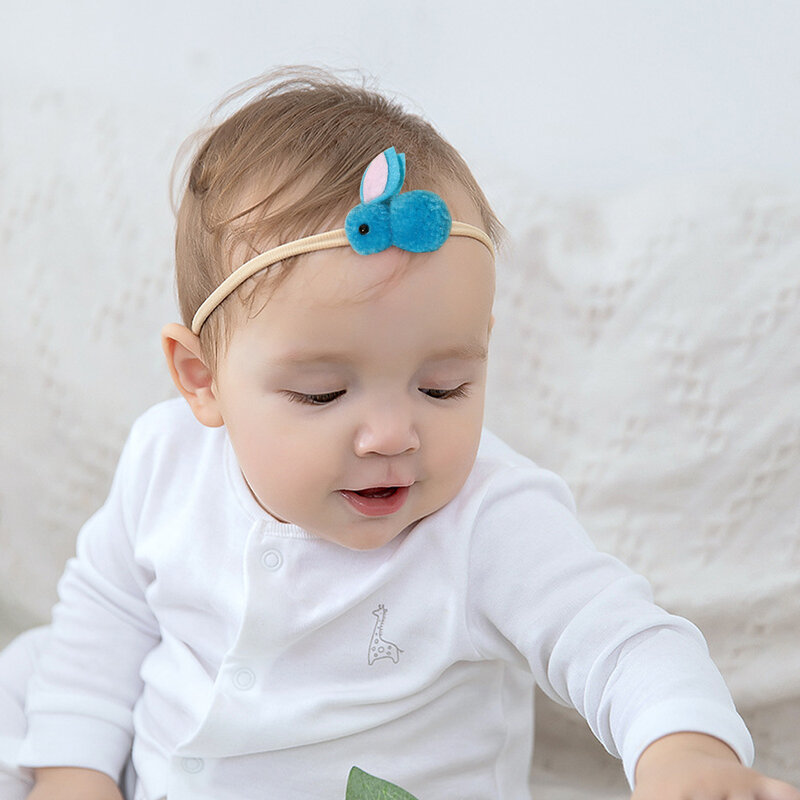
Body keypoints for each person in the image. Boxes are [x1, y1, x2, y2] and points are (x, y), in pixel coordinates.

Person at [3, 67, 799, 800]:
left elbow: (621, 641)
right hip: (159, 773)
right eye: (321, 393)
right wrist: (76, 774)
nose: (391, 434)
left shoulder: (490, 520)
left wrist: (686, 750)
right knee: (32, 678)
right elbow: (106, 618)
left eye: (442, 386)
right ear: (201, 380)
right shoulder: (163, 459)